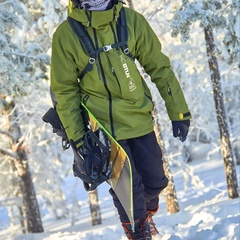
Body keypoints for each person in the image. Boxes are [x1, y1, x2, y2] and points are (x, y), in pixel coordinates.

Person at [50, 0, 191, 239]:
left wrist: (178, 112)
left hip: (139, 120)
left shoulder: (131, 21)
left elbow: (159, 67)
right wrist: (79, 139)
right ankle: (139, 232)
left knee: (156, 182)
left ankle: (143, 219)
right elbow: (64, 92)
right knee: (129, 192)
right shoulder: (66, 34)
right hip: (103, 130)